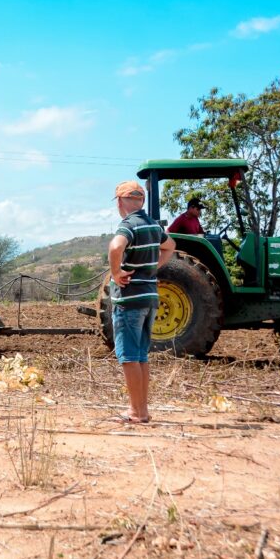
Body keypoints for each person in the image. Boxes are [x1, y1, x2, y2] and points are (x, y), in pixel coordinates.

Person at [107, 181, 176, 423]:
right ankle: (142, 410)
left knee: (128, 357)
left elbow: (116, 247)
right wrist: (154, 266)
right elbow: (171, 246)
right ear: (142, 201)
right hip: (150, 299)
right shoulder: (153, 226)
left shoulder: (129, 225)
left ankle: (136, 412)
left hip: (130, 300)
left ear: (119, 202)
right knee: (141, 355)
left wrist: (116, 273)